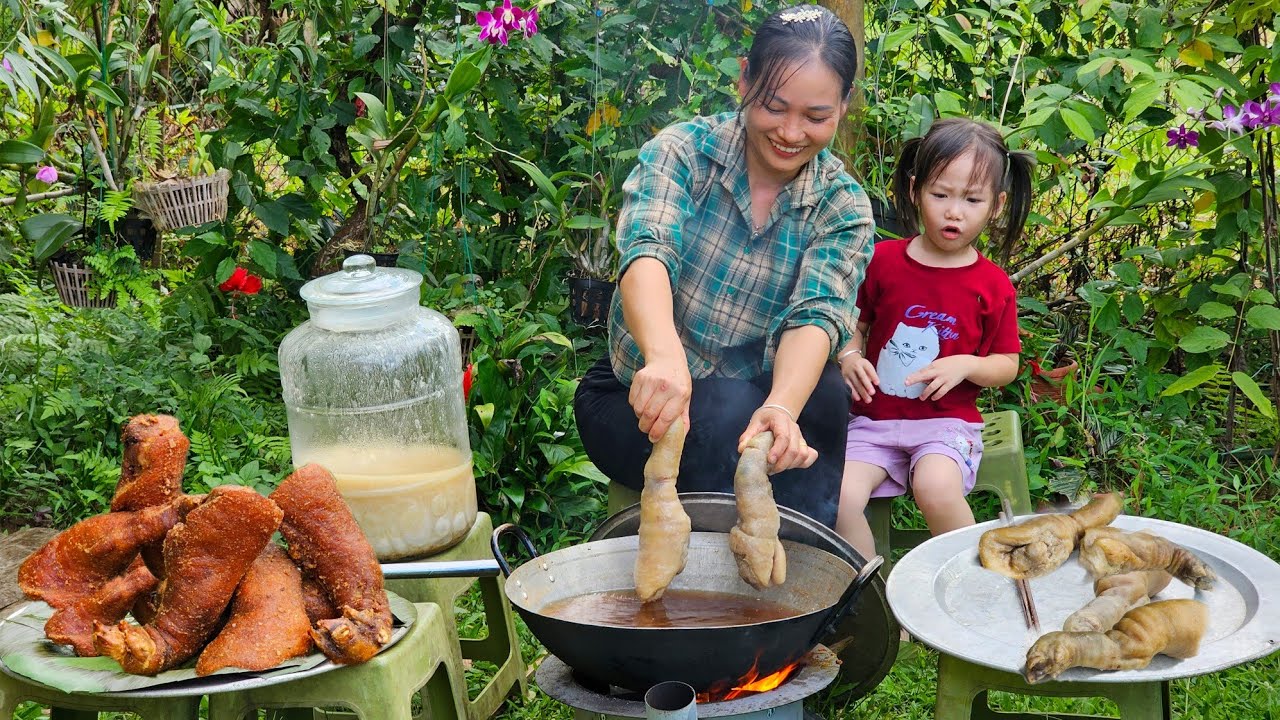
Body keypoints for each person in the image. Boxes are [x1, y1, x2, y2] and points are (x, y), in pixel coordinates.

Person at [573, 4, 874, 528]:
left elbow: (818, 314)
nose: (791, 132)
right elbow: (648, 249)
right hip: (634, 403)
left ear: (844, 105)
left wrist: (781, 409)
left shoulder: (842, 207)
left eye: (816, 117)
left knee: (820, 398)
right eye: (775, 107)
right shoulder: (683, 153)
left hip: (750, 395)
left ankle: (797, 582)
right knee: (729, 426)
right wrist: (665, 360)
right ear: (744, 79)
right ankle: (722, 576)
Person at [833, 117, 1034, 559]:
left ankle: (973, 579)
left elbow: (1007, 364)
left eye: (972, 199)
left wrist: (967, 364)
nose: (954, 211)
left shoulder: (992, 284)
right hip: (873, 421)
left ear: (996, 205)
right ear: (914, 191)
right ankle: (869, 594)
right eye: (940, 195)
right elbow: (856, 322)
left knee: (935, 487)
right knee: (841, 497)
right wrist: (849, 354)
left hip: (946, 424)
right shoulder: (883, 261)